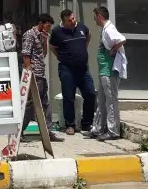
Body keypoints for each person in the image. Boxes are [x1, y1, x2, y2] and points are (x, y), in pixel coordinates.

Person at [49, 9, 96, 135]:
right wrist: (60, 57)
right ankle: (70, 125)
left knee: (90, 93)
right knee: (68, 97)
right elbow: (52, 47)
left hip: (83, 69)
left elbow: (88, 35)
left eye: (73, 18)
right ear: (64, 21)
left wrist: (83, 49)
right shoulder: (57, 32)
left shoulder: (81, 27)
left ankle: (87, 123)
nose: (73, 21)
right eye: (69, 20)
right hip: (67, 69)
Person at [21, 13, 64, 142]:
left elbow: (43, 54)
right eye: (48, 25)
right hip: (34, 74)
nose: (49, 28)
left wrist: (45, 40)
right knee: (31, 104)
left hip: (41, 73)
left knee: (44, 103)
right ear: (41, 23)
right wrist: (29, 70)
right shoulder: (30, 35)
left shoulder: (41, 36)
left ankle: (47, 131)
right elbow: (26, 54)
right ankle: (19, 130)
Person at [88, 6, 127, 141]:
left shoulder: (109, 29)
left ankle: (113, 131)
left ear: (99, 16)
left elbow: (122, 39)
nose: (94, 19)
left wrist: (114, 49)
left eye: (95, 17)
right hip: (103, 70)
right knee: (101, 101)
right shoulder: (105, 29)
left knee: (111, 101)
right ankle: (98, 128)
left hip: (109, 71)